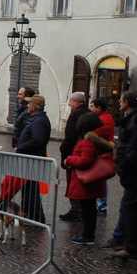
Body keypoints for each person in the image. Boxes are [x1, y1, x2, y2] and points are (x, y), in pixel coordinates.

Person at [64, 113, 107, 245]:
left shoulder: (87, 142)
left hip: (86, 181)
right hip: (89, 181)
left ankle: (87, 236)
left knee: (88, 209)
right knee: (88, 208)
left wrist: (69, 159)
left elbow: (85, 161)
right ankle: (87, 234)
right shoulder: (92, 139)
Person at [110, 91, 137, 259]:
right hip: (131, 172)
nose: (119, 102)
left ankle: (131, 247)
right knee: (127, 207)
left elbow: (132, 148)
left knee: (130, 208)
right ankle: (123, 240)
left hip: (133, 173)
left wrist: (123, 166)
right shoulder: (131, 118)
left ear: (127, 102)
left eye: (121, 100)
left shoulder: (134, 120)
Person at [15, 95, 50, 223]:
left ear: (35, 106)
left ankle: (36, 217)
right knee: (29, 189)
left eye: (30, 104)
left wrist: (21, 147)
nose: (27, 106)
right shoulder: (36, 118)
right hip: (31, 158)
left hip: (33, 159)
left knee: (31, 190)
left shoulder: (39, 120)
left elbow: (38, 140)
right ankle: (31, 215)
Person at [59, 92, 90, 222]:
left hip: (74, 154)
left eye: (71, 101)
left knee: (73, 183)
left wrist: (64, 153)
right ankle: (80, 210)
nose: (69, 103)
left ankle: (76, 211)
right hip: (81, 153)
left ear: (77, 102)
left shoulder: (76, 115)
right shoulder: (88, 113)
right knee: (80, 183)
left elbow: (70, 136)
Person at [89, 98, 115, 215]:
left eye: (93, 106)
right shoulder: (102, 117)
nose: (91, 109)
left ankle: (101, 206)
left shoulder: (104, 119)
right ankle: (99, 205)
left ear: (99, 108)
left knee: (100, 180)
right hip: (100, 152)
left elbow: (95, 134)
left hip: (102, 153)